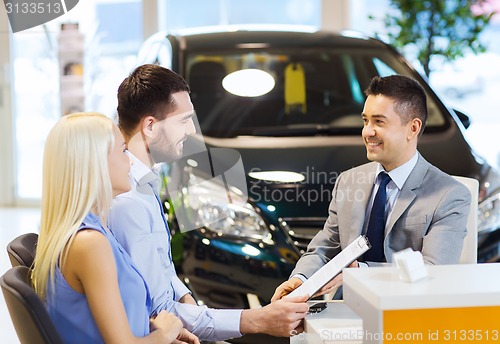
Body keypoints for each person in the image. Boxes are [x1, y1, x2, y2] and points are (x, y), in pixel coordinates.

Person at [108, 64, 309, 342]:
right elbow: (159, 312)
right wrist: (259, 319)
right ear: (150, 126)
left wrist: (186, 298)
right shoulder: (128, 201)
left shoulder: (145, 181)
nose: (191, 130)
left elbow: (163, 273)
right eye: (183, 120)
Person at [272, 74, 471, 301]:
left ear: (412, 128)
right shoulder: (348, 181)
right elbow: (326, 244)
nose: (367, 132)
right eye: (365, 121)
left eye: (379, 122)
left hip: (409, 313)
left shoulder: (449, 195)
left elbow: (434, 270)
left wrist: (362, 273)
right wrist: (301, 279)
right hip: (347, 309)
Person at [32, 113, 199, 344]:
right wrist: (164, 334)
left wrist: (153, 329)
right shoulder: (89, 243)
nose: (130, 161)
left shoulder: (94, 229)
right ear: (95, 163)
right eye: (123, 151)